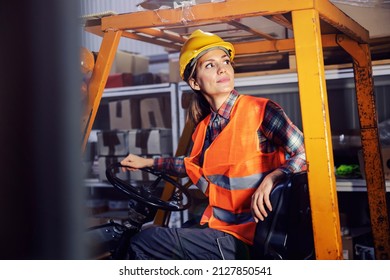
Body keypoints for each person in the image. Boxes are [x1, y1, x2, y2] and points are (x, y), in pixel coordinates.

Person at [120, 29, 307, 260]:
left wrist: (274, 177)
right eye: (210, 65)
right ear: (194, 82)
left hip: (247, 236)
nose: (222, 69)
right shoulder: (204, 127)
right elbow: (191, 166)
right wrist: (146, 162)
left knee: (142, 241)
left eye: (225, 61)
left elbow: (305, 153)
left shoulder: (261, 111)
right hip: (220, 226)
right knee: (172, 232)